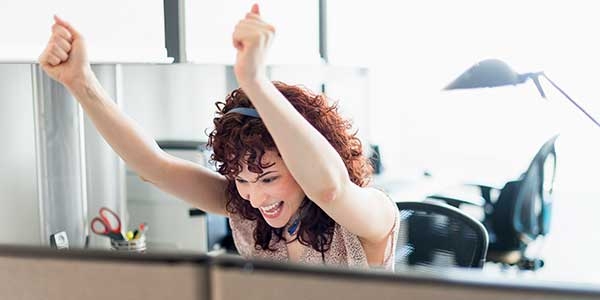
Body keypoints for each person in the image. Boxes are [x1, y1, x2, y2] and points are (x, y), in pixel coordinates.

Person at [38, 4, 399, 269]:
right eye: (242, 179)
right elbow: (154, 166)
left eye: (269, 177)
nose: (257, 197)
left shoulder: (370, 218)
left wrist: (255, 82)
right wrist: (80, 81)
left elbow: (328, 189)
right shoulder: (250, 216)